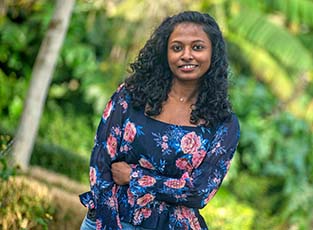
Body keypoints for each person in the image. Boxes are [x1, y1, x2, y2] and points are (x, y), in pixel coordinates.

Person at [79, 10, 240, 230]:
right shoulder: (131, 97)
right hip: (110, 221)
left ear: (213, 54)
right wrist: (108, 224)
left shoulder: (223, 123)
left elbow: (199, 192)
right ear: (165, 53)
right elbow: (101, 164)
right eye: (177, 47)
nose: (186, 55)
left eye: (197, 47)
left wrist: (134, 176)